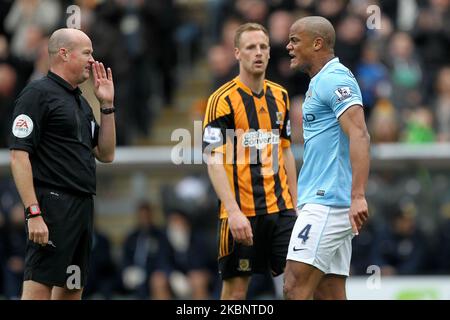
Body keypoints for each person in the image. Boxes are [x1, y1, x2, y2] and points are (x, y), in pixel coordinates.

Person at [9, 28, 116, 300]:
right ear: (64, 54)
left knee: (71, 289)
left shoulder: (80, 102)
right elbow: (19, 155)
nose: (93, 61)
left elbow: (105, 153)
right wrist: (34, 213)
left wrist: (107, 105)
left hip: (82, 207)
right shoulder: (37, 94)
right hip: (53, 205)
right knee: (38, 288)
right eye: (87, 53)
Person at [203, 23, 298, 300]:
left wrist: (296, 202)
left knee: (298, 283)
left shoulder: (280, 96)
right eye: (250, 47)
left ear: (269, 52)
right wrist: (233, 211)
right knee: (235, 293)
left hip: (281, 211)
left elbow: (286, 151)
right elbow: (213, 159)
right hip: (242, 213)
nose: (258, 53)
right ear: (237, 53)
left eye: (263, 47)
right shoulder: (221, 100)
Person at [283, 16, 370, 300]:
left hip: (328, 202)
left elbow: (360, 134)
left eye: (295, 40)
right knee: (328, 295)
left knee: (294, 286)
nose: (289, 46)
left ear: (317, 43)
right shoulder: (321, 81)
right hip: (326, 201)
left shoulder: (334, 78)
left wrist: (358, 195)